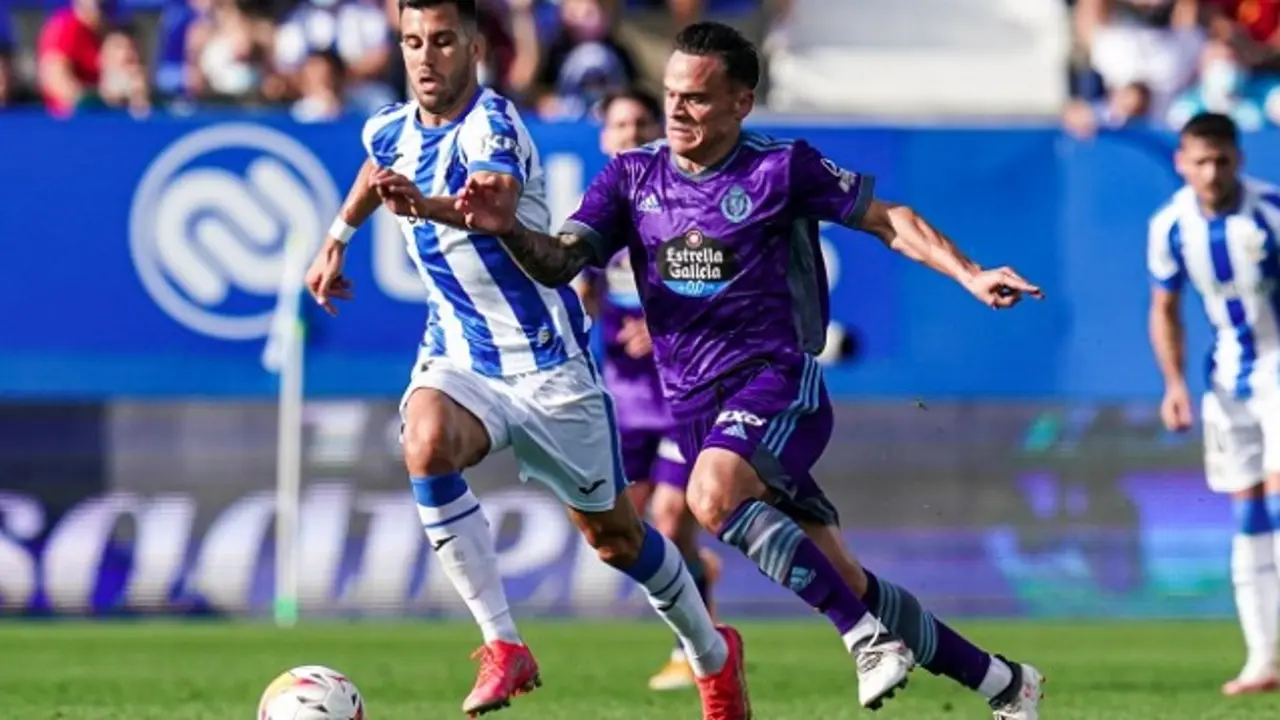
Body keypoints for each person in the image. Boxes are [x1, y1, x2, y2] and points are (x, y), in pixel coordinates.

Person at [449, 20, 1048, 719]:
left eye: (697, 98)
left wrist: (970, 273)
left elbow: (890, 220)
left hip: (778, 382)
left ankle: (864, 640)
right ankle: (1006, 684)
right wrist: (508, 228)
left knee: (709, 497)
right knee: (846, 578)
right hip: (695, 409)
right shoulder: (632, 177)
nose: (677, 110)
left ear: (741, 103)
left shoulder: (781, 168)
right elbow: (560, 261)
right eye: (672, 95)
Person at [303, 3, 748, 718]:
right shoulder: (388, 125)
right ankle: (503, 644)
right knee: (424, 441)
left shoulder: (494, 125)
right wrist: (337, 238)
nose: (425, 57)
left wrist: (423, 206)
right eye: (413, 41)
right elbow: (377, 165)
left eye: (442, 41)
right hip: (458, 353)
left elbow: (496, 204)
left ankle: (712, 654)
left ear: (474, 46)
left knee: (617, 540)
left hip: (547, 368)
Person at [578, 87, 723, 692]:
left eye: (642, 122)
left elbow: (720, 291)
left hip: (681, 395)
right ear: (604, 137)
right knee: (616, 531)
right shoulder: (595, 214)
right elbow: (584, 289)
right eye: (621, 124)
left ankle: (695, 650)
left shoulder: (682, 206)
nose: (632, 133)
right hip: (622, 402)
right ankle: (698, 572)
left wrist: (663, 330)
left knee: (670, 515)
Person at [1148, 111, 1280, 697]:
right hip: (1227, 383)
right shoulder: (1170, 226)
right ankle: (1264, 659)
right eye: (1200, 161)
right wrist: (1174, 384)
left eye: (1221, 160)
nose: (1211, 172)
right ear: (1182, 162)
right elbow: (1165, 309)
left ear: (1238, 160)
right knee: (1247, 517)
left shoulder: (1270, 211)